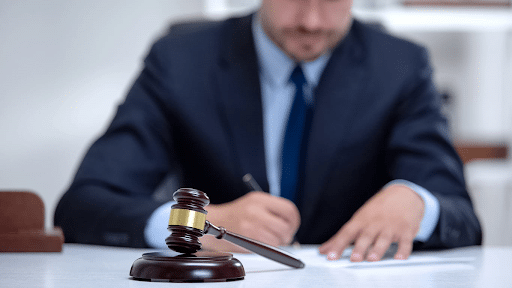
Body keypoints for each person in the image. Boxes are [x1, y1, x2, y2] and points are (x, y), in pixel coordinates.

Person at [54, 0, 482, 262]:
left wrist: (416, 202)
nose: (313, 21)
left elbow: (461, 216)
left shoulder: (402, 67)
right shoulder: (180, 60)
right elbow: (83, 206)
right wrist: (198, 224)